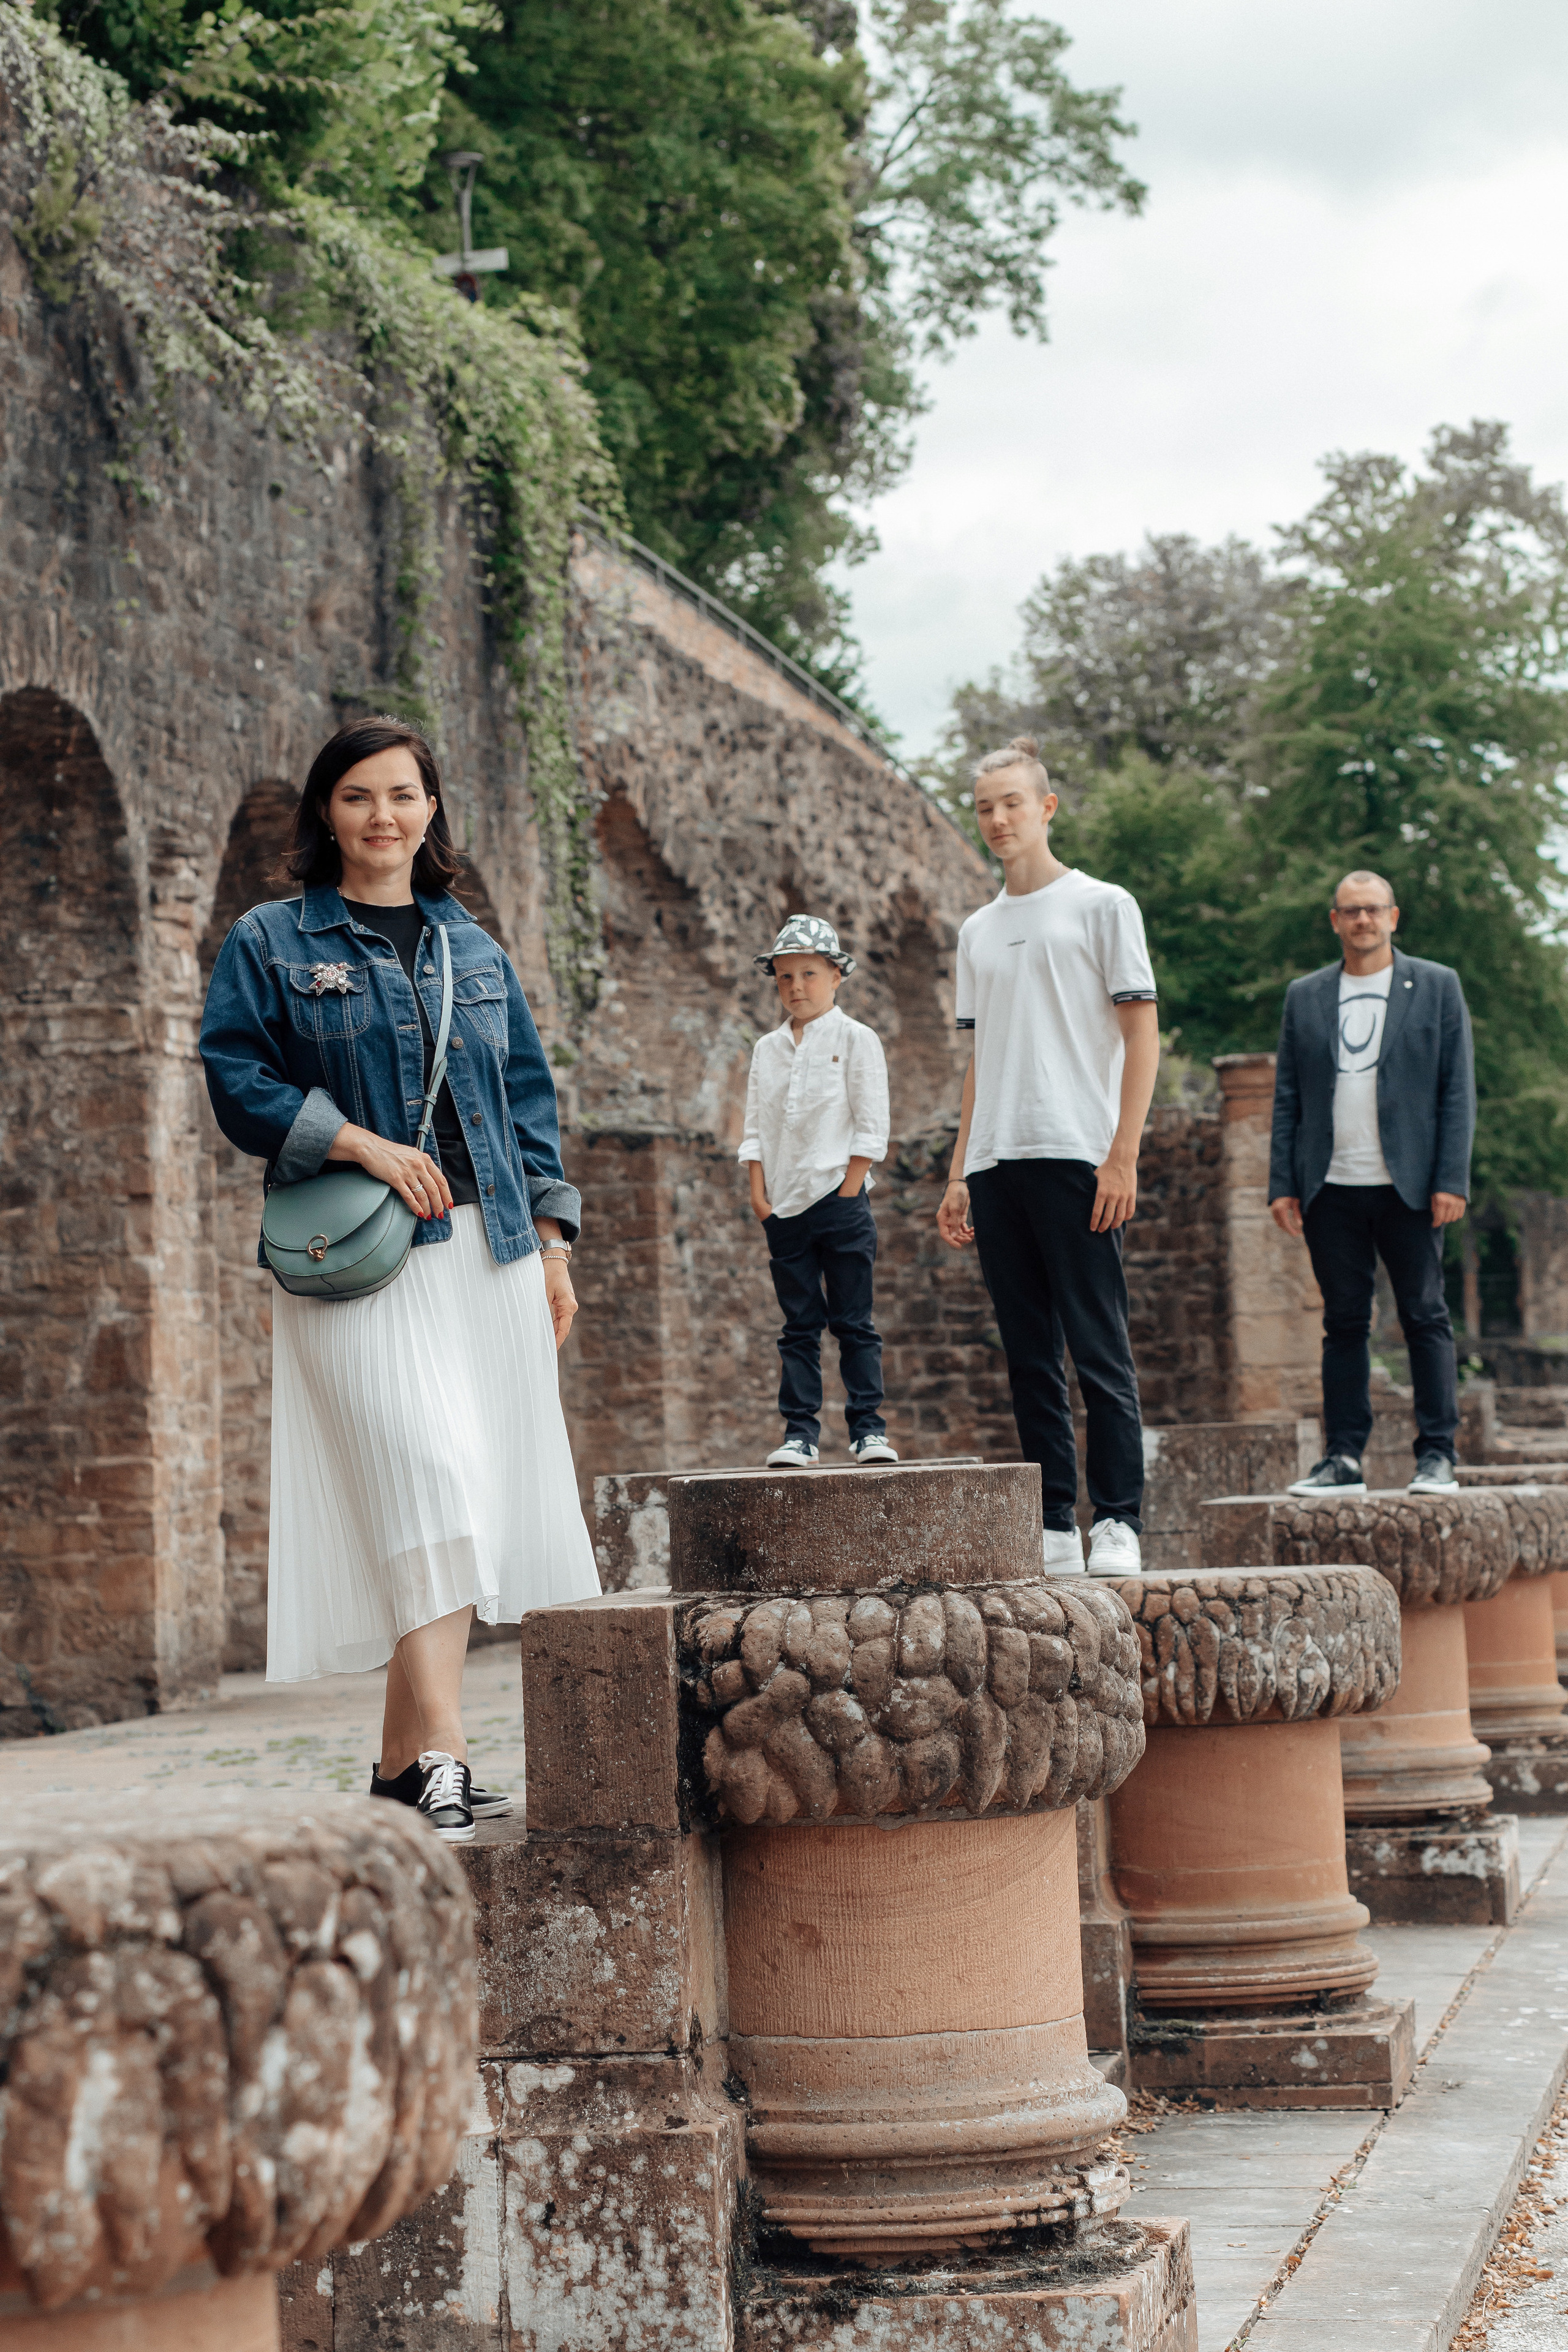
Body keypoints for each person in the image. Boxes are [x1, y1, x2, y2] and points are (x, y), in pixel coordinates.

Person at [200, 716, 599, 1842]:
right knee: (430, 1481)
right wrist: (358, 1142)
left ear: (433, 811)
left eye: (405, 795)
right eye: (361, 796)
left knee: (461, 1501)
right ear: (327, 812)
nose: (385, 816)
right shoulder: (272, 939)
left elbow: (527, 1102)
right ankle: (453, 1756)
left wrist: (556, 1249)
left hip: (492, 1259)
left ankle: (395, 1769)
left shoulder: (471, 946)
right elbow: (237, 1079)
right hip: (357, 1265)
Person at [937, 737, 1160, 1575]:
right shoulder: (978, 931)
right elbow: (978, 1059)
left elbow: (1142, 1037)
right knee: (1027, 1353)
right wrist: (960, 1168)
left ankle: (1121, 1522)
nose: (998, 820)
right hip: (997, 1163)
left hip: (1078, 1153)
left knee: (1099, 1346)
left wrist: (1123, 1155)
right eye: (986, 807)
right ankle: (1056, 1520)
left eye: (1012, 805)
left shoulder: (1104, 906)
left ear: (1046, 808)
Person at [1269, 870, 1475, 1496]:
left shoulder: (1436, 986)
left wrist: (1450, 1177)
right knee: (1344, 1322)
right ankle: (1343, 1459)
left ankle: (1437, 1455)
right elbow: (1287, 1096)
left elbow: (1456, 1089)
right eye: (1350, 911)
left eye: (1373, 910)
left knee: (1424, 1316)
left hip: (1410, 1184)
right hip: (1329, 1183)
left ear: (1393, 917)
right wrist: (1282, 1181)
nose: (1362, 920)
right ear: (1335, 921)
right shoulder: (1304, 995)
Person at [739, 916, 896, 1468]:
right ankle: (800, 1433)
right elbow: (755, 1127)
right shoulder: (768, 1049)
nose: (796, 987)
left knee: (854, 1321)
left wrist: (850, 1190)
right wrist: (761, 1198)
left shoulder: (857, 1040)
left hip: (841, 1199)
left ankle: (868, 1429)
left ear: (836, 976)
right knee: (798, 1328)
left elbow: (871, 1124)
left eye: (808, 973)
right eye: (784, 977)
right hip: (784, 1207)